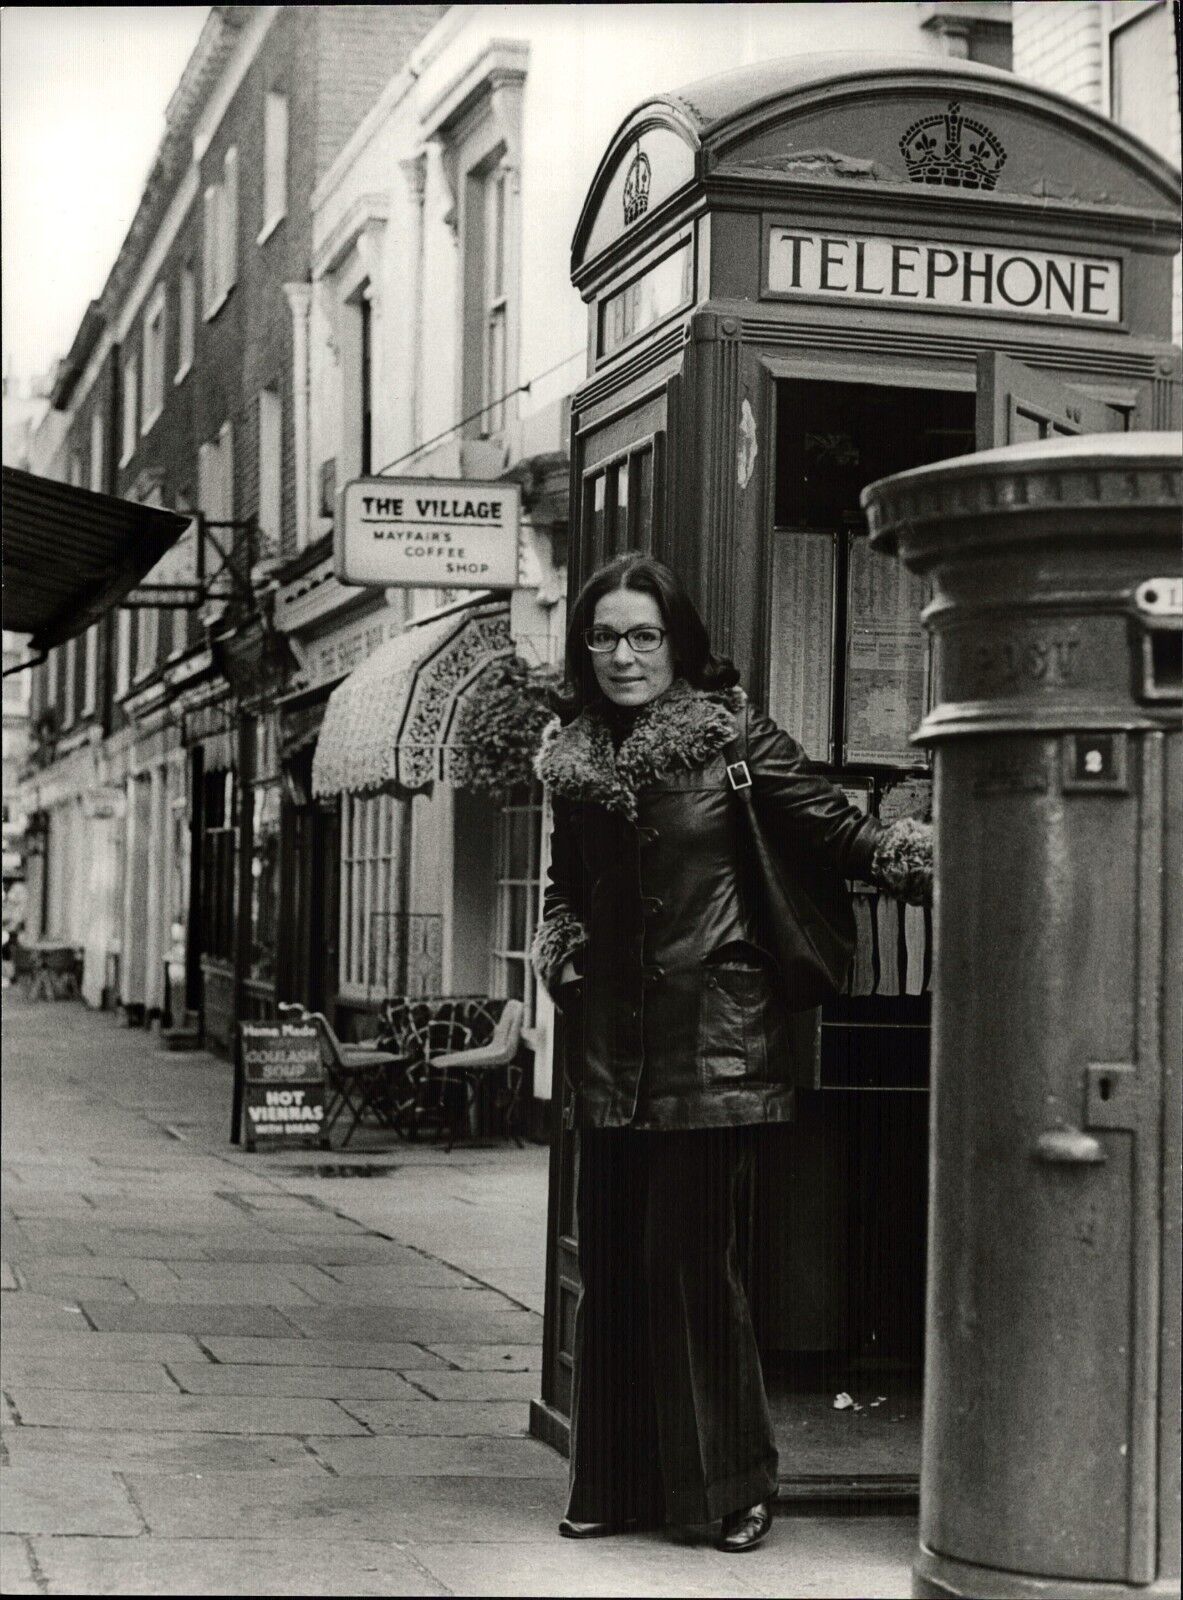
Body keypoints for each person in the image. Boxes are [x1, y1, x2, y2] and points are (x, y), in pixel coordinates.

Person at [531, 553, 931, 1554]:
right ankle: (614, 1482)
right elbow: (564, 890)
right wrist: (563, 957)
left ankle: (731, 1487)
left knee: (693, 1268)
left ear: (678, 644)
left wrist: (929, 855)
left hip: (714, 1043)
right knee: (615, 1265)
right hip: (609, 1050)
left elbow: (839, 833)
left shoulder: (734, 738)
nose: (623, 655)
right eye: (605, 636)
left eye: (642, 635)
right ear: (584, 649)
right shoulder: (573, 761)